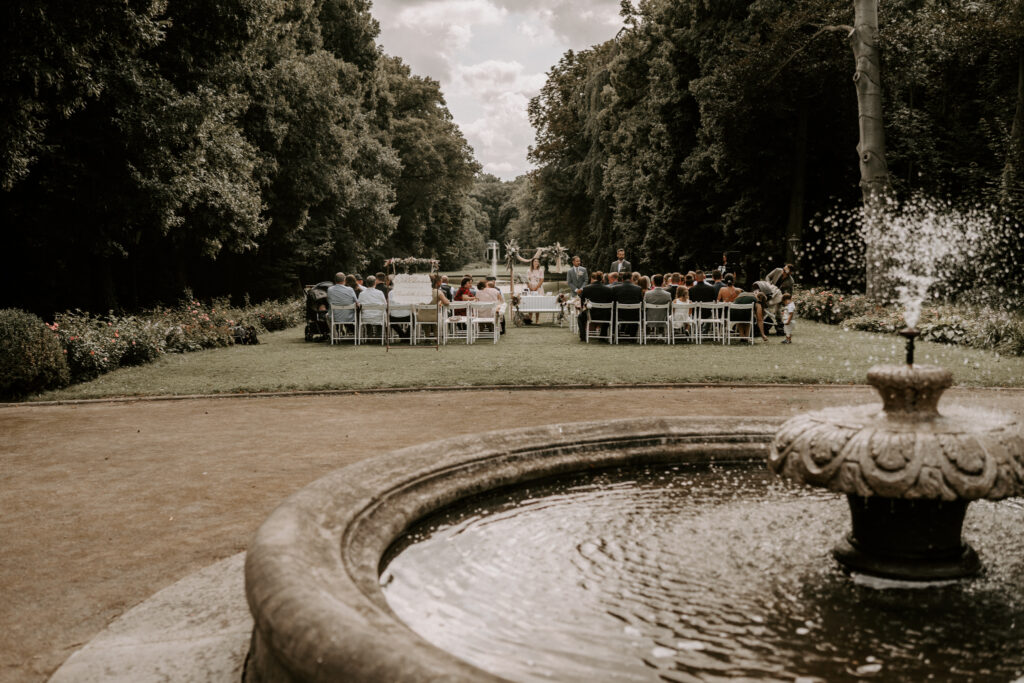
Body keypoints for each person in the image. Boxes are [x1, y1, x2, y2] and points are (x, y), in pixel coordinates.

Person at [578, 270, 613, 341]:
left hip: (590, 314)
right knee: (610, 314)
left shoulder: (586, 288)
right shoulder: (608, 289)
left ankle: (583, 336)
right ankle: (603, 335)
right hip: (605, 315)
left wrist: (584, 308)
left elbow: (582, 301)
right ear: (602, 278)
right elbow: (611, 301)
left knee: (580, 317)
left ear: (595, 278)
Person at [613, 271, 643, 341]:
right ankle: (633, 337)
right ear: (631, 279)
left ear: (622, 279)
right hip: (634, 315)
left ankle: (617, 335)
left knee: (612, 312)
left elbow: (613, 302)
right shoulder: (638, 289)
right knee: (638, 312)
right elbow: (641, 302)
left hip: (619, 315)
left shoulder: (615, 288)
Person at [644, 274, 672, 339]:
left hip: (649, 318)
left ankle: (648, 334)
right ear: (663, 282)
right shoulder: (668, 294)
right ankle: (661, 334)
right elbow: (670, 308)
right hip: (662, 319)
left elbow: (644, 307)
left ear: (653, 282)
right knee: (662, 313)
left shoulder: (647, 294)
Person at [523, 258, 544, 324]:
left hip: (538, 288)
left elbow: (541, 280)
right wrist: (530, 288)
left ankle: (537, 320)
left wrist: (536, 288)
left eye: (537, 261)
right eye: (535, 261)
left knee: (537, 303)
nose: (536, 262)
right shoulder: (529, 270)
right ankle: (530, 319)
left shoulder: (540, 270)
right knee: (530, 303)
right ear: (532, 263)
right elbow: (527, 280)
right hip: (530, 287)